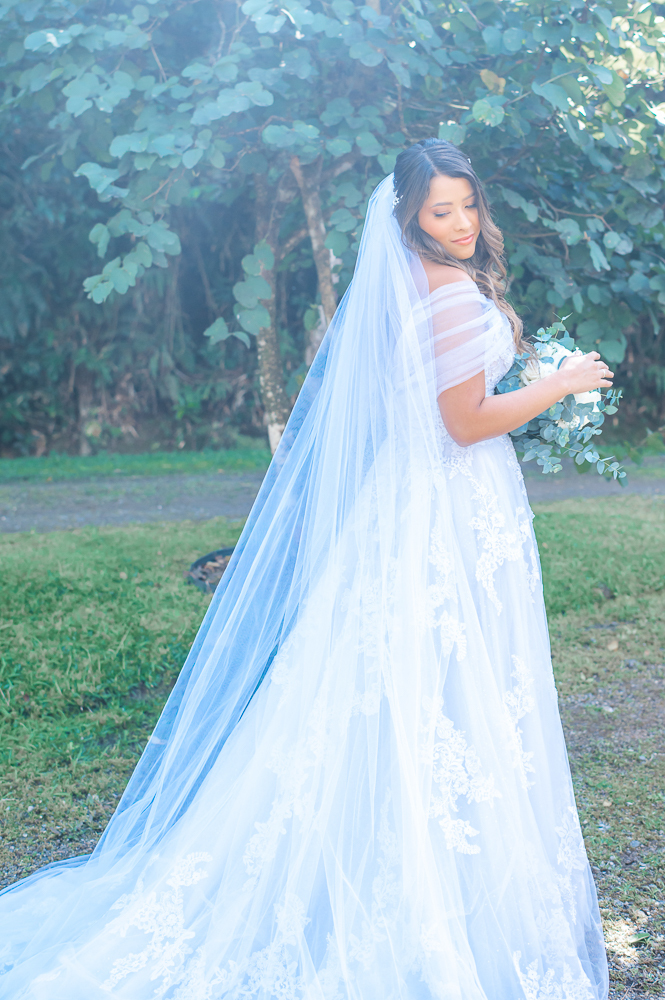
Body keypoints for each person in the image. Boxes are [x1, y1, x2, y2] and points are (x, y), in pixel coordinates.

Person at [0, 139, 611, 999]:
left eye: (468, 204)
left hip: (431, 512)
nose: (463, 224)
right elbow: (465, 423)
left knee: (427, 685)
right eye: (441, 211)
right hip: (440, 516)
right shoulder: (440, 298)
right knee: (427, 683)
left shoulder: (424, 286)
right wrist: (559, 382)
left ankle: (430, 862)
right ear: (408, 218)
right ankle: (419, 889)